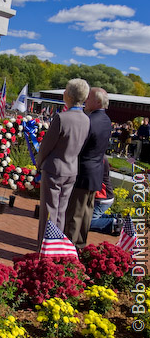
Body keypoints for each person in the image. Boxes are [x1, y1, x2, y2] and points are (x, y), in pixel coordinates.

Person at [36, 78, 90, 249]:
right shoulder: (86, 119)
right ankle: (56, 246)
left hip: (54, 169)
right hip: (71, 169)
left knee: (49, 211)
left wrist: (38, 164)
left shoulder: (61, 118)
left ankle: (44, 248)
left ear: (68, 95)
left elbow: (46, 147)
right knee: (61, 212)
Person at [64, 87, 112, 250]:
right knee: (85, 215)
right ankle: (79, 246)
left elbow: (77, 147)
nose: (85, 100)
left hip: (82, 173)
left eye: (89, 97)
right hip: (95, 175)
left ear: (98, 102)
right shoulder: (106, 120)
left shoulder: (90, 121)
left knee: (74, 215)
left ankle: (68, 250)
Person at [89, 155, 123, 235]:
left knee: (86, 222)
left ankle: (114, 223)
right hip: (105, 196)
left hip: (103, 198)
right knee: (91, 214)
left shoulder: (99, 158)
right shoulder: (101, 156)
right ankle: (114, 217)